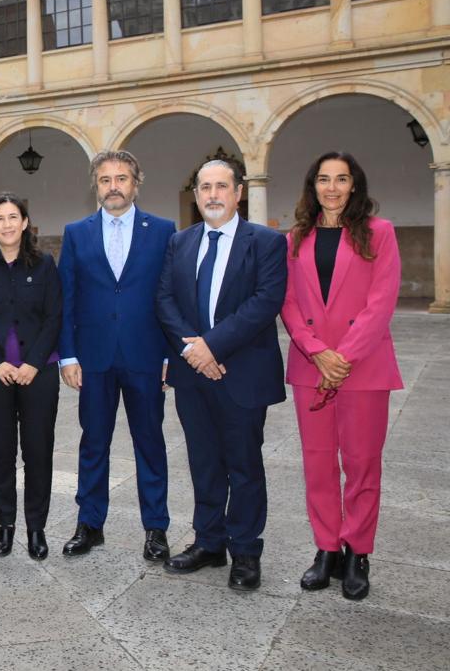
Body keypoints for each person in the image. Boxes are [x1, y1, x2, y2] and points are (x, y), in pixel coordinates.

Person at [156, 159, 287, 592]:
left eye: (221, 186)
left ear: (238, 192)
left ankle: (246, 550)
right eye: (204, 187)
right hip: (193, 375)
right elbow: (165, 300)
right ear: (195, 194)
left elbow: (265, 302)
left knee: (244, 464)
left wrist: (212, 346)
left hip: (242, 372)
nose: (212, 195)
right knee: (204, 461)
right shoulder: (180, 242)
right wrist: (194, 350)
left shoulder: (266, 242)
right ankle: (209, 541)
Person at [280, 152, 401, 601]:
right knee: (318, 463)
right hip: (312, 367)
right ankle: (326, 548)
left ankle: (358, 552)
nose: (332, 187)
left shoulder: (379, 234)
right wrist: (317, 353)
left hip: (363, 367)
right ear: (313, 187)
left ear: (355, 186)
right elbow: (288, 303)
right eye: (324, 179)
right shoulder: (296, 238)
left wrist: (342, 358)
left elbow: (382, 301)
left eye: (342, 179)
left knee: (362, 463)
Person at [57, 151, 175, 561]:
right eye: (105, 179)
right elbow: (66, 297)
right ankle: (89, 523)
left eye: (121, 178)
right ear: (96, 184)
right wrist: (67, 356)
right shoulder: (77, 232)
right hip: (93, 358)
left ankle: (156, 527)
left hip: (146, 355)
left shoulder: (163, 231)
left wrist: (170, 355)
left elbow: (170, 297)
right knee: (93, 443)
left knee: (150, 443)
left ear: (136, 182)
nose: (113, 186)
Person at [0, 193, 62, 561]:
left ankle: (37, 527)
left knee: (38, 451)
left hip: (40, 373)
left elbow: (54, 316)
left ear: (24, 223)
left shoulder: (45, 263)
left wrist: (33, 363)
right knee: (0, 451)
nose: (6, 224)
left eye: (13, 217)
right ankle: (6, 524)